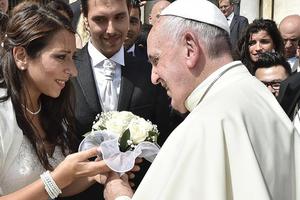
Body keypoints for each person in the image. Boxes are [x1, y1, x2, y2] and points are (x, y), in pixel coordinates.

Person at [103, 0, 300, 200]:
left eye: (156, 60)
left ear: (190, 48)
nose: (153, 77)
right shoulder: (259, 94)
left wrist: (119, 196)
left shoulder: (204, 125)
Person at [0, 2, 113, 199]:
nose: (74, 71)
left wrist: (97, 171)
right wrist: (57, 179)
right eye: (61, 57)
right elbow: (54, 184)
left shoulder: (51, 108)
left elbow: (54, 190)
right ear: (21, 56)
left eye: (73, 57)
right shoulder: (3, 115)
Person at [67, 0, 172, 199]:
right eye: (100, 19)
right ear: (86, 19)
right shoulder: (67, 71)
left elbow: (164, 137)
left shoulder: (149, 73)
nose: (111, 29)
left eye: (119, 17)